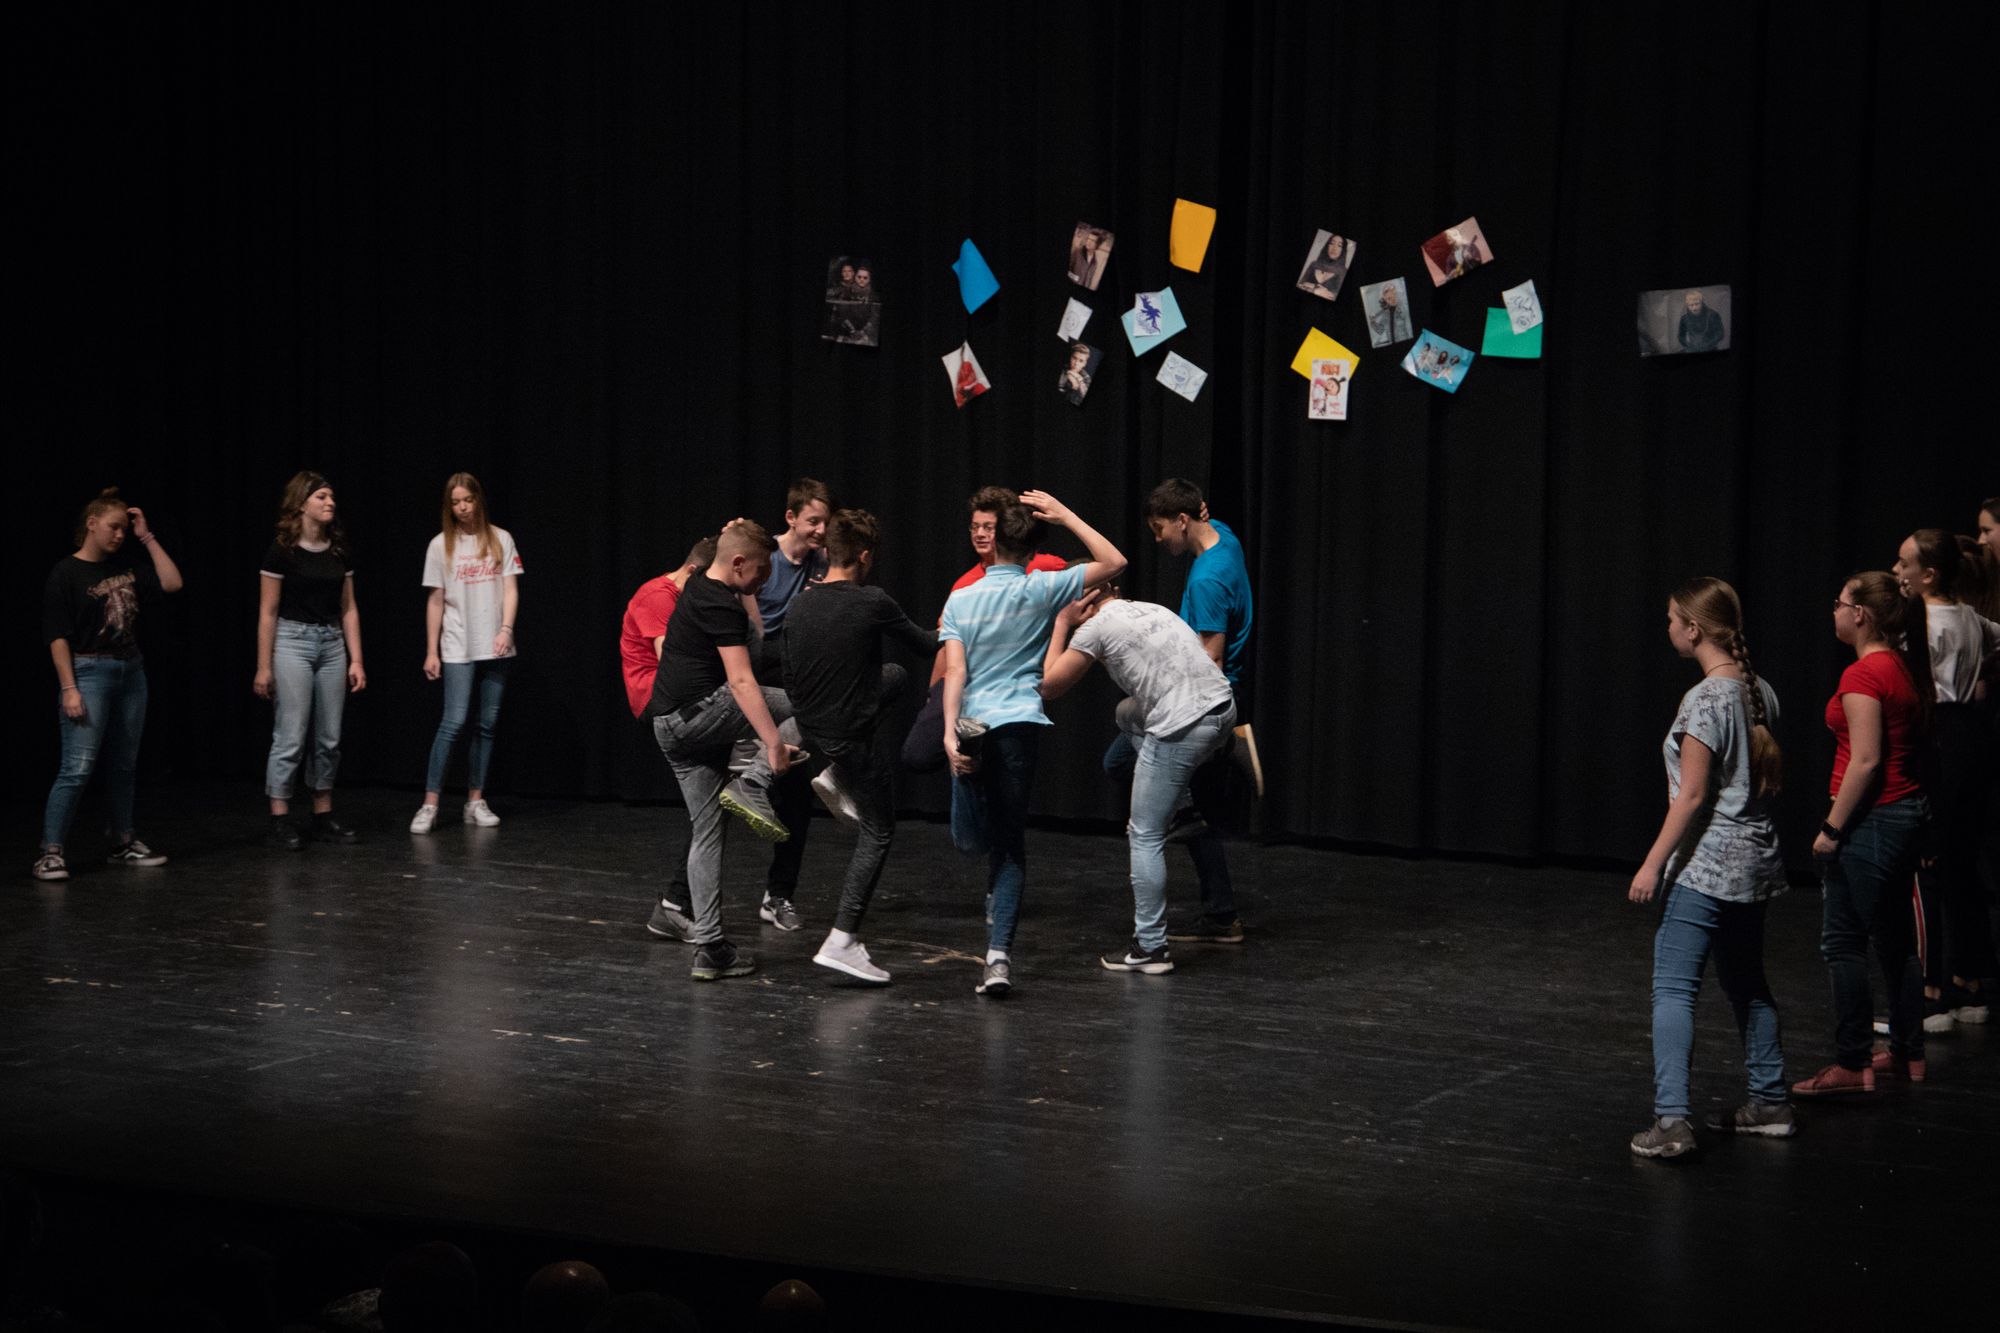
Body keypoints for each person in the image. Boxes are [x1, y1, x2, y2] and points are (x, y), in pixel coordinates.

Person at [1625, 579, 1792, 1159]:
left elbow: (1693, 796)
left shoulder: (1705, 700)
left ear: (1694, 630)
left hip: (1706, 866)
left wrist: (1651, 865)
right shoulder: (1757, 690)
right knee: (1747, 982)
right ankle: (1770, 1101)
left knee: (1674, 988)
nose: (1669, 628)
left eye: (1673, 620)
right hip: (1754, 864)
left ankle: (1672, 1120)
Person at [941, 489, 1125, 997]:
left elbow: (955, 671)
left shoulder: (961, 598)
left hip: (974, 723)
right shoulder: (1043, 587)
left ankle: (966, 772)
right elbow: (1115, 562)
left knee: (971, 840)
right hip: (1020, 724)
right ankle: (998, 958)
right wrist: (1066, 515)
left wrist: (949, 732)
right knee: (1008, 846)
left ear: (995, 541)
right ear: (1031, 550)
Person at [1040, 585, 1236, 974]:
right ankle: (1189, 802)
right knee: (1126, 713)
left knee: (1144, 834)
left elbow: (1049, 685)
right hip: (1223, 707)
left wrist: (1061, 624)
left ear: (1081, 602)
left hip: (1184, 726)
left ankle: (1151, 947)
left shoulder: (1094, 628)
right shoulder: (1153, 606)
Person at [645, 520, 806, 980]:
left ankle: (710, 948)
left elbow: (730, 563)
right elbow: (741, 681)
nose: (765, 580)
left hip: (668, 726)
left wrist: (735, 537)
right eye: (760, 571)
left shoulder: (700, 582)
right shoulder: (720, 605)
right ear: (737, 564)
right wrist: (772, 747)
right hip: (700, 715)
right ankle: (753, 783)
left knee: (708, 831)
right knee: (808, 708)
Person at [1793, 572, 1933, 1096]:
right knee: (1896, 941)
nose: (1834, 611)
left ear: (1860, 614)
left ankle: (1853, 1063)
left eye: (1839, 603)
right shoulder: (1901, 665)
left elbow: (1867, 760)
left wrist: (1832, 828)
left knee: (1844, 941)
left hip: (1871, 820)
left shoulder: (1865, 674)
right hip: (1903, 815)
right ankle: (1907, 1053)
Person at [782, 509, 937, 983]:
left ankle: (834, 771)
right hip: (848, 736)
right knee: (878, 829)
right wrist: (955, 625)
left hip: (812, 724)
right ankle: (842, 939)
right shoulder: (872, 600)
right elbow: (927, 644)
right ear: (865, 556)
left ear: (829, 552)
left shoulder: (801, 604)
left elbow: (790, 676)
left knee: (893, 675)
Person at [1131, 479, 1259, 945]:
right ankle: (1221, 916)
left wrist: (1182, 701)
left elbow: (1211, 661)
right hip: (1211, 696)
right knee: (1192, 812)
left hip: (1205, 696)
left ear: (1183, 521)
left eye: (1160, 528)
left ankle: (1223, 748)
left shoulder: (1208, 579)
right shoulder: (1224, 536)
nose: (1157, 538)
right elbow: (1206, 517)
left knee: (1122, 758)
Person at [36, 489, 185, 880]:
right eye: (113, 527)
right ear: (92, 523)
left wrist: (146, 536)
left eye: (124, 528)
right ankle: (50, 852)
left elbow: (172, 583)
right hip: (89, 672)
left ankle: (123, 842)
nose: (120, 535)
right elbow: (57, 636)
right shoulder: (66, 572)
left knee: (124, 765)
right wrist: (69, 688)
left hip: (131, 671)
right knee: (77, 767)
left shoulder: (128, 566)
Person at [1893, 529, 2000, 1028]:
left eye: (1904, 564)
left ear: (1929, 575)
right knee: (1962, 862)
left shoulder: (1925, 623)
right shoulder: (1971, 618)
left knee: (1929, 861)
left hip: (1939, 738)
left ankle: (1933, 992)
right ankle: (1971, 981)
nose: (1897, 571)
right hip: (1973, 738)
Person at [901, 488, 1067, 774]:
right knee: (919, 754)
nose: (979, 534)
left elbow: (1086, 586)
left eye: (988, 527)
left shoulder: (1043, 567)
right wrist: (934, 692)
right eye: (974, 527)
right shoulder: (964, 586)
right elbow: (947, 646)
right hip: (963, 677)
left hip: (1010, 682)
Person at [256, 471, 366, 850]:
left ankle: (322, 814)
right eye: (321, 497)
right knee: (291, 734)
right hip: (293, 641)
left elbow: (349, 608)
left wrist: (356, 660)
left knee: (329, 737)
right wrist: (264, 666)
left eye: (331, 497)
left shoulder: (338, 550)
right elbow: (268, 612)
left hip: (332, 642)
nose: (329, 503)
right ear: (302, 503)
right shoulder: (282, 551)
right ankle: (279, 817)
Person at [409, 473, 523, 834]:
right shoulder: (440, 545)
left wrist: (506, 629)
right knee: (453, 721)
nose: (462, 508)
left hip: (496, 644)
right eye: (455, 502)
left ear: (478, 501)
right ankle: (430, 803)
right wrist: (431, 650)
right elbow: (435, 600)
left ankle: (475, 800)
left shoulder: (501, 539)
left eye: (467, 500)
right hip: (458, 643)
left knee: (486, 724)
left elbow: (510, 589)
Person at [622, 537, 717, 942]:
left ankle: (676, 906)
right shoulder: (658, 597)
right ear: (694, 573)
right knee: (710, 809)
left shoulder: (687, 597)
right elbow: (674, 665)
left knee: (711, 809)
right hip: (658, 701)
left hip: (682, 698)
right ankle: (675, 905)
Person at [1297, 233, 1350, 299]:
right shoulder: (1314, 264)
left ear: (1343, 250)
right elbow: (1299, 285)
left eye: (1339, 245)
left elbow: (1335, 297)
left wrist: (1310, 285)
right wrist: (1315, 290)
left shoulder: (1343, 272)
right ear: (1327, 246)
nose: (1334, 248)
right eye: (1331, 243)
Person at [1368, 282, 1412, 347]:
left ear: (1396, 293)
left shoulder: (1404, 308)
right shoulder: (1385, 314)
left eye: (1394, 295)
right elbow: (1380, 330)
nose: (1392, 300)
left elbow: (1410, 330)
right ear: (1385, 300)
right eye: (1389, 299)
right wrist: (1372, 322)